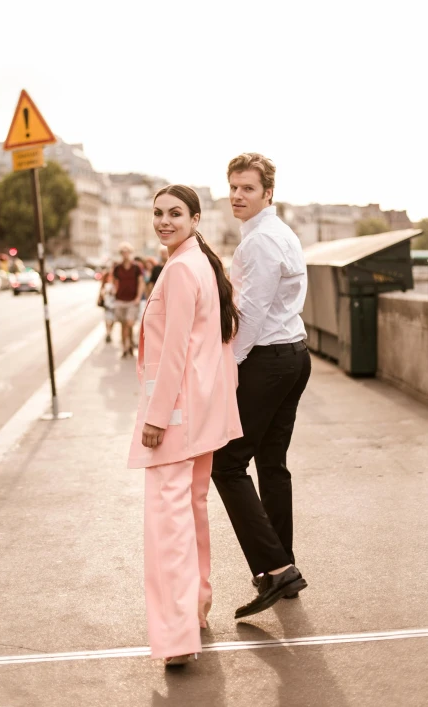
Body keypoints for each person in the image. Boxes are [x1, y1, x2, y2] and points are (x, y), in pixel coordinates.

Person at [128, 185, 243, 666]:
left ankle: (176, 639)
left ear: (195, 219)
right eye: (158, 213)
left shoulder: (179, 269)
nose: (164, 222)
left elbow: (174, 349)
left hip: (174, 416)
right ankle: (196, 608)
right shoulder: (201, 265)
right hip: (201, 412)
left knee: (168, 522)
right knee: (191, 512)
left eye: (175, 214)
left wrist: (154, 417)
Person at [211, 153, 311, 619]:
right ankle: (283, 566)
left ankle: (275, 568)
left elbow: (249, 317)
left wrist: (226, 368)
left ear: (267, 193)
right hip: (293, 355)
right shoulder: (279, 233)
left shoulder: (258, 243)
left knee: (227, 464)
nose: (236, 195)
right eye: (232, 186)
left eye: (247, 188)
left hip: (269, 361)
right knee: (272, 464)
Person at [113, 243, 145, 358]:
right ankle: (125, 347)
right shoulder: (117, 267)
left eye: (127, 252)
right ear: (121, 254)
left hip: (132, 300)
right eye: (123, 252)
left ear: (130, 253)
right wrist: (114, 292)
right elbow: (115, 282)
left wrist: (138, 297)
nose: (125, 254)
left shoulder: (137, 267)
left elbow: (141, 282)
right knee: (123, 325)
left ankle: (129, 343)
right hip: (120, 299)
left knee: (129, 323)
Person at [98, 265, 116, 343]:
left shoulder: (115, 284)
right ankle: (108, 333)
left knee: (112, 320)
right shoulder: (105, 285)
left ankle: (109, 332)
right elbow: (102, 293)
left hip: (114, 304)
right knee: (107, 319)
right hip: (107, 304)